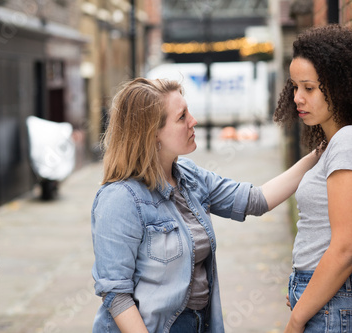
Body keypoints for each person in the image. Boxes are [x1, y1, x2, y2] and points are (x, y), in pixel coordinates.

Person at [91, 77, 323, 333]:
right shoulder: (120, 199)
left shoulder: (190, 177)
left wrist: (320, 152)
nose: (194, 121)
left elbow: (256, 200)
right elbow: (116, 294)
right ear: (152, 133)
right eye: (182, 117)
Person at [273, 25, 352, 333]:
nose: (297, 98)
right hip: (334, 301)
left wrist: (298, 318)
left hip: (341, 305)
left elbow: (347, 248)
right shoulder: (335, 145)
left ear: (340, 86)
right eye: (294, 86)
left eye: (309, 88)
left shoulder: (350, 143)